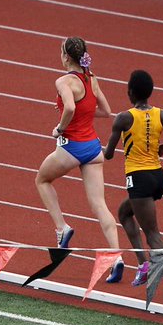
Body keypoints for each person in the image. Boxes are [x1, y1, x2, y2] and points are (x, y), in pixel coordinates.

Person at [34, 37, 124, 283]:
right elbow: (105, 111)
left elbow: (71, 108)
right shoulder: (91, 78)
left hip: (72, 147)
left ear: (66, 57)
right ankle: (117, 257)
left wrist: (60, 128)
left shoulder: (63, 81)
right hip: (93, 148)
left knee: (42, 180)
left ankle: (62, 228)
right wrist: (80, 114)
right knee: (100, 205)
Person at [103, 69, 163, 308]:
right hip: (158, 177)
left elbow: (108, 154)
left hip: (139, 178)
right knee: (124, 213)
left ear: (130, 92)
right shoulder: (162, 114)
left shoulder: (123, 118)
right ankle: (143, 264)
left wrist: (95, 149)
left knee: (153, 235)